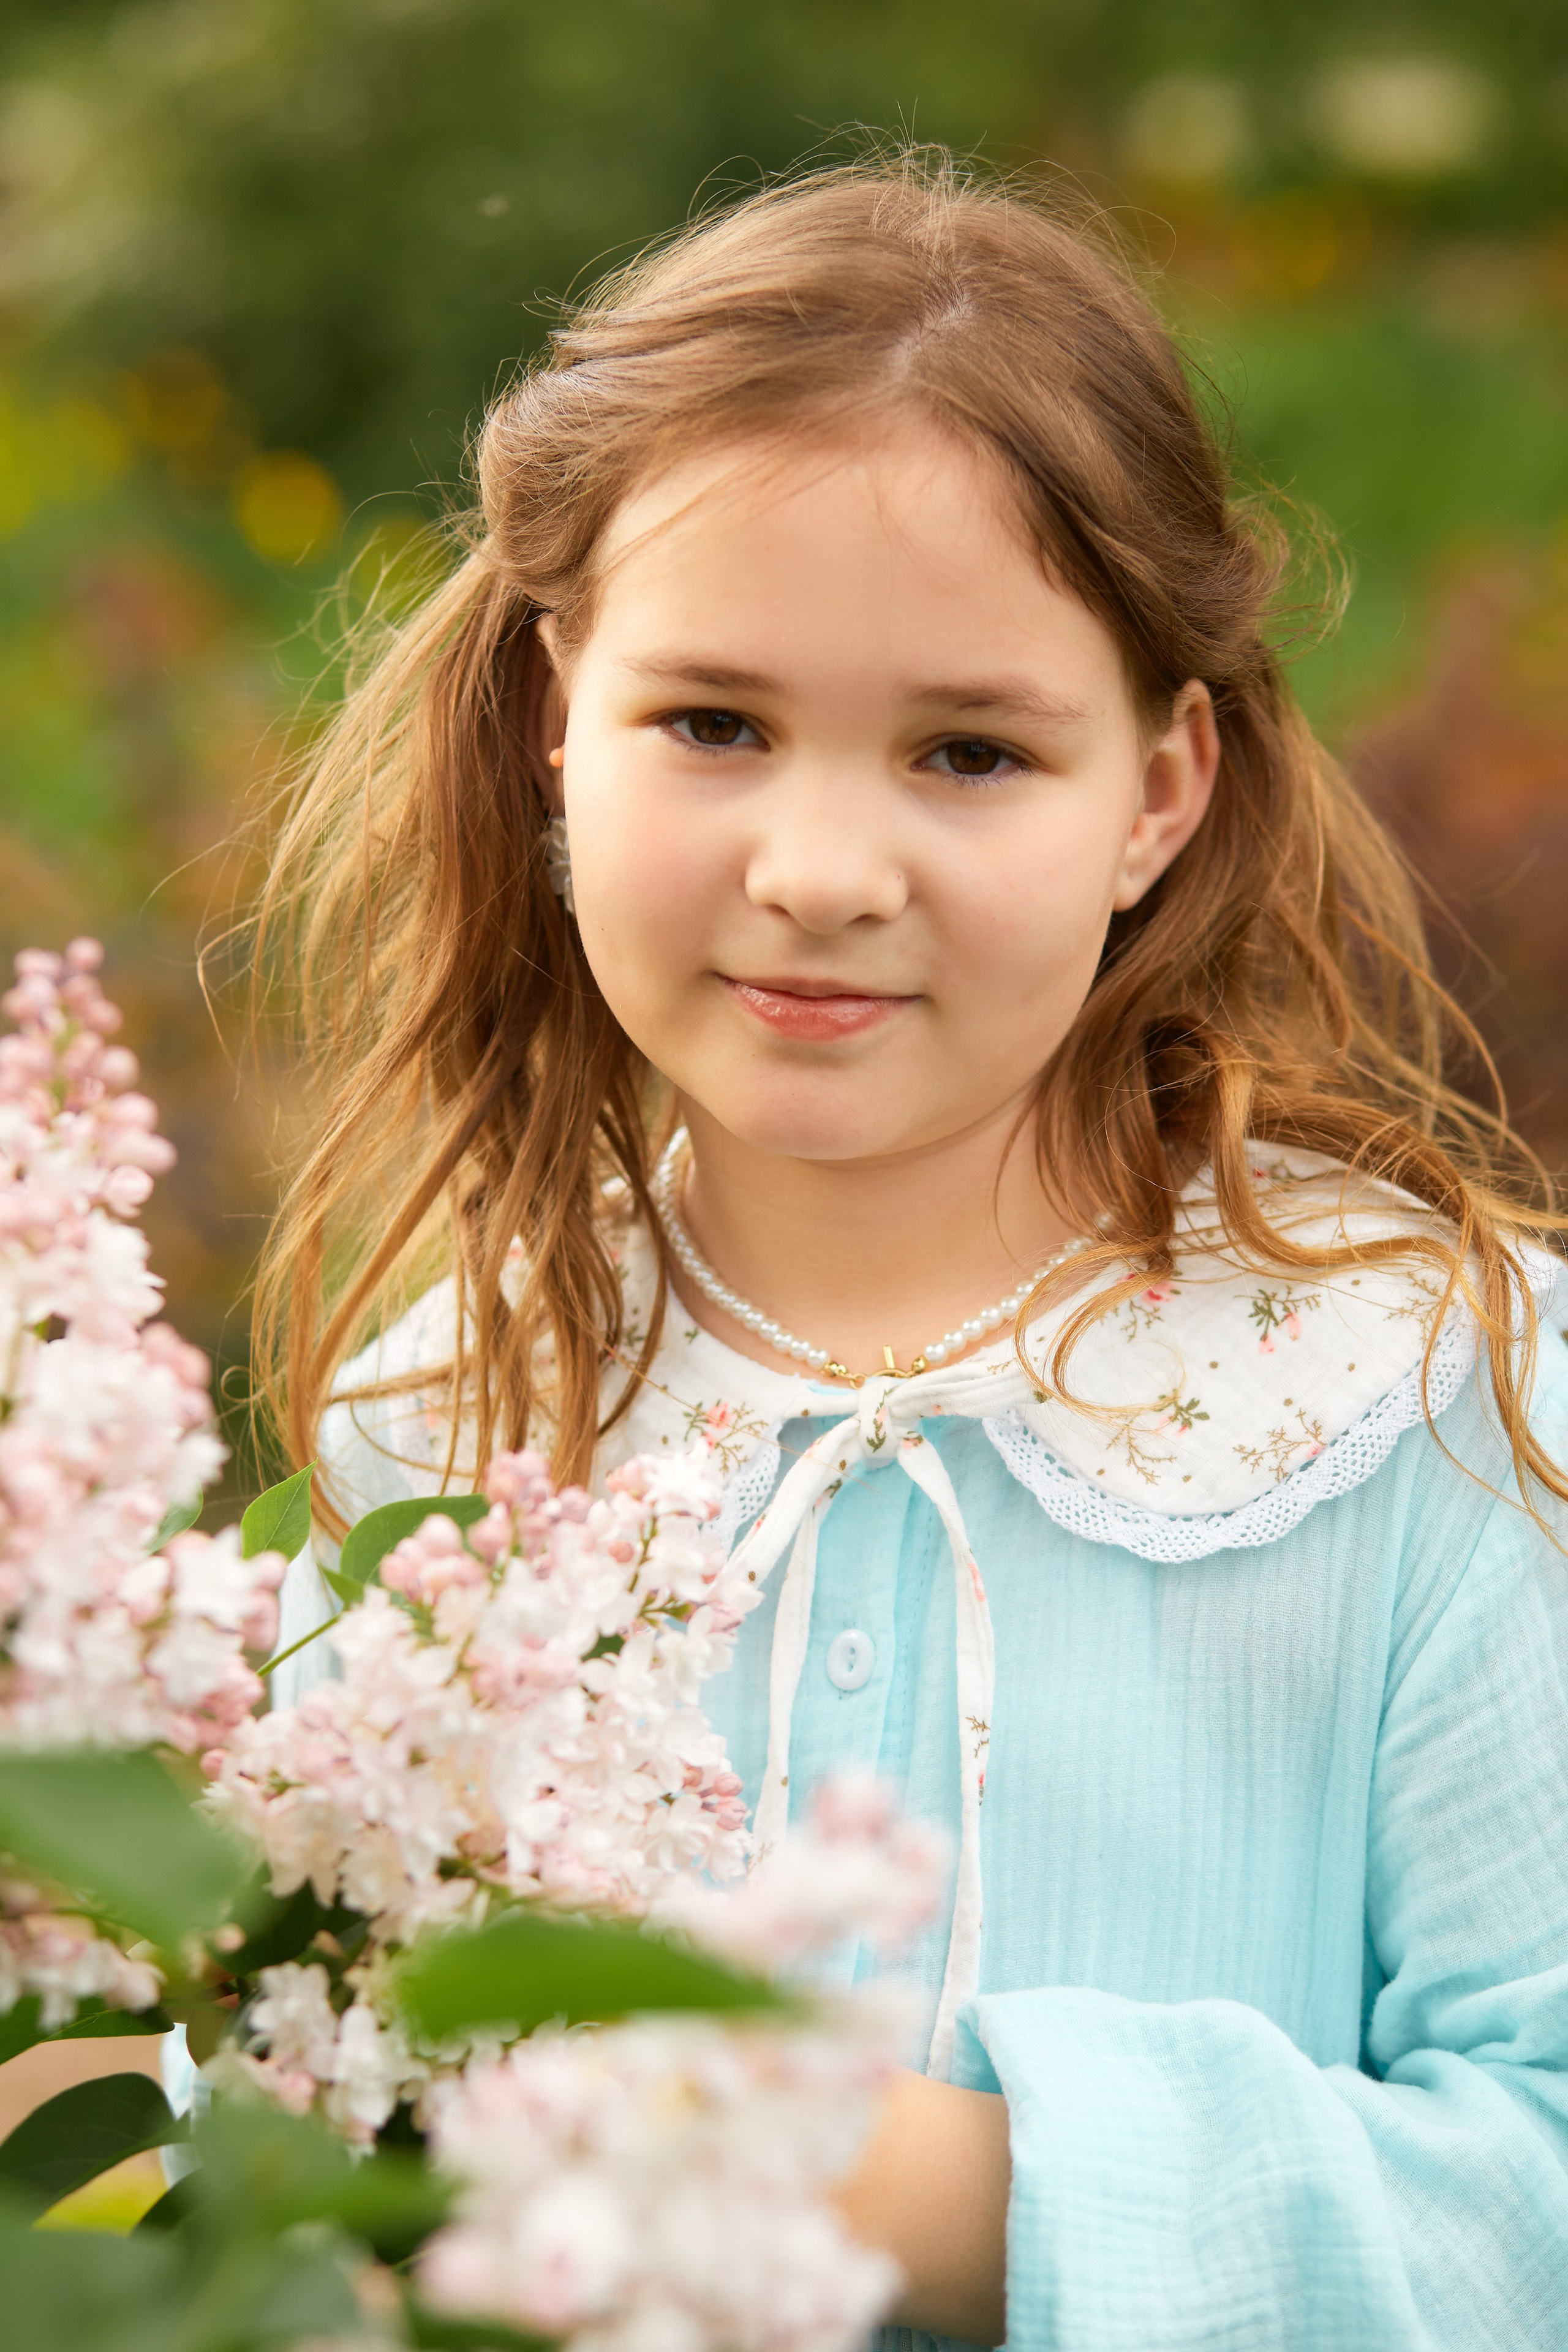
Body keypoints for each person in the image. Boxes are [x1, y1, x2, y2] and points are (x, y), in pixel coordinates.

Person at [258, 154, 1568, 2348]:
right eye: (715, 724)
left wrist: (908, 2184)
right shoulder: (450, 1420)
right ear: (557, 720)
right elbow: (292, 2107)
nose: (822, 868)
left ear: (1156, 794)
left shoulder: (1442, 1400)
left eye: (970, 751)